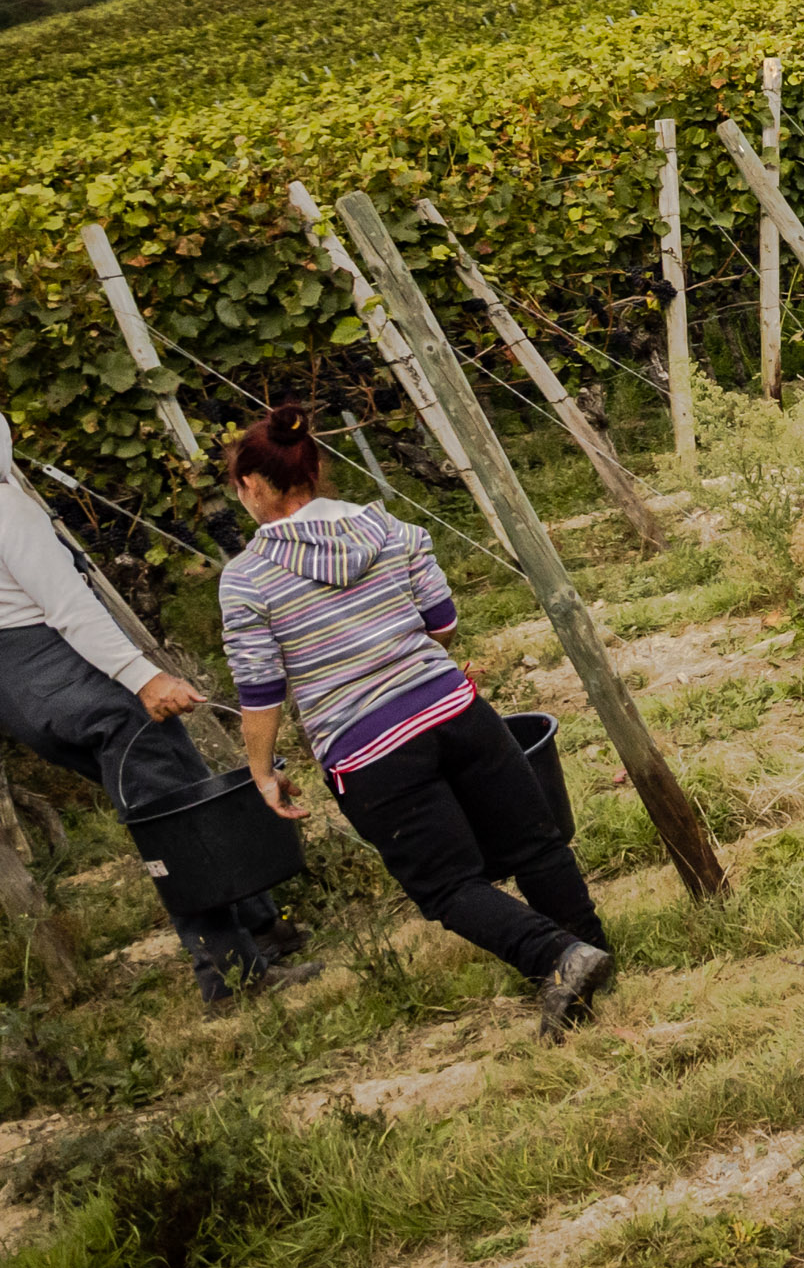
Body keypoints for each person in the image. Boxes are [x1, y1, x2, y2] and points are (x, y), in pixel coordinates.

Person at [215, 409, 615, 1033]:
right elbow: (442, 622)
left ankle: (559, 956)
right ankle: (592, 951)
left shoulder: (247, 580)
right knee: (534, 843)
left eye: (239, 488)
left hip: (369, 749)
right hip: (455, 708)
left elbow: (260, 689)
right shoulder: (389, 528)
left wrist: (263, 771)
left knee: (449, 887)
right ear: (315, 470)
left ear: (255, 487)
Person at [0, 412, 289, 1004]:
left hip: (19, 691)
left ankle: (263, 923)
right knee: (171, 815)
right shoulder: (7, 510)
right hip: (61, 668)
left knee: (165, 787)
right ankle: (230, 976)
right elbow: (67, 607)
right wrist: (144, 677)